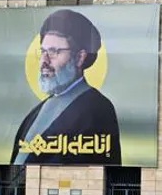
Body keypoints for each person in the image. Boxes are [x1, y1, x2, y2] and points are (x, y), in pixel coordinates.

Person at [9, 9, 122, 165]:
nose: (44, 61)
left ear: (80, 57)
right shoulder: (39, 109)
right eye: (42, 51)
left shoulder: (97, 108)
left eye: (53, 52)